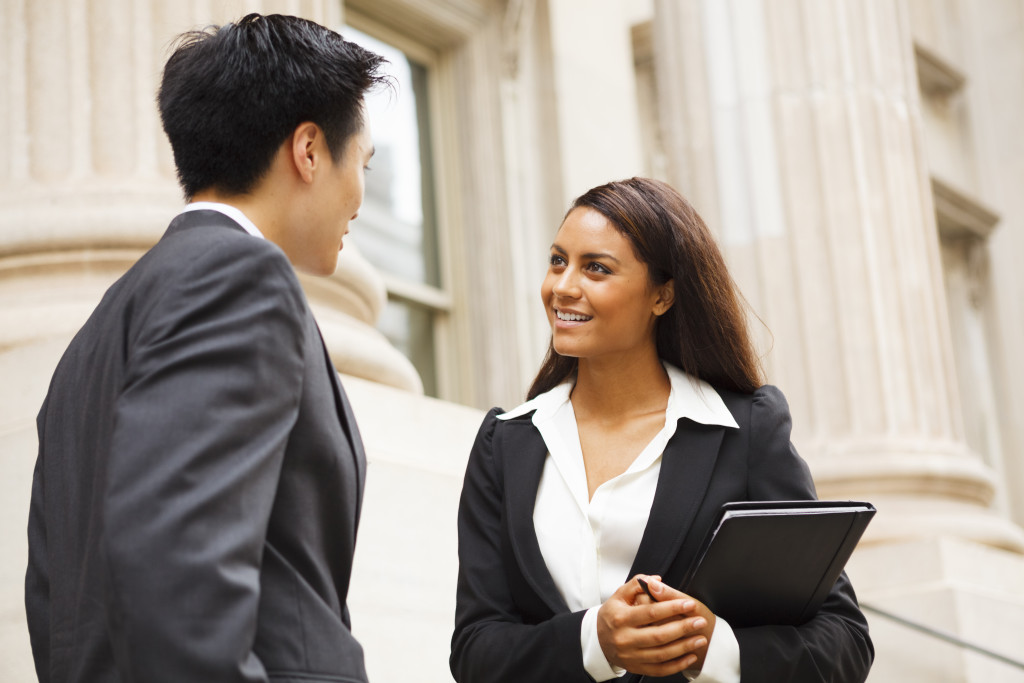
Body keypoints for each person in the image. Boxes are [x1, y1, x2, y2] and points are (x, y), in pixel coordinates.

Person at [24, 14, 388, 683]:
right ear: (308, 150)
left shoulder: (92, 342)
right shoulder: (242, 280)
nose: (361, 199)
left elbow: (55, 606)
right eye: (362, 164)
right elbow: (177, 568)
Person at [450, 177, 873, 683]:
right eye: (558, 261)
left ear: (663, 295)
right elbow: (475, 650)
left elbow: (845, 640)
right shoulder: (505, 444)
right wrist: (596, 642)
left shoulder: (744, 432)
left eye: (596, 268)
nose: (562, 287)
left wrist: (712, 650)